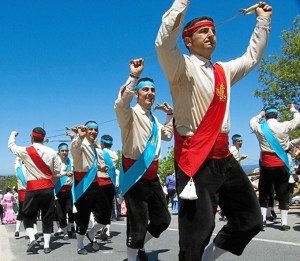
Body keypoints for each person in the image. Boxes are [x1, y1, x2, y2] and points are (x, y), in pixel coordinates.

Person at [155, 1, 272, 260]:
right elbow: (163, 43)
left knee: (250, 219)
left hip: (224, 158)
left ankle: (208, 257)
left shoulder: (223, 71)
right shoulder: (180, 67)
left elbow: (252, 57)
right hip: (196, 158)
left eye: (213, 31)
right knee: (198, 230)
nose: (210, 35)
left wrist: (262, 21)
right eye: (203, 31)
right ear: (188, 40)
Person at [114, 58, 173, 261]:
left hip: (152, 176)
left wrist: (169, 115)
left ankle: (139, 247)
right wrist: (133, 76)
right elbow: (121, 103)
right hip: (134, 175)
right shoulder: (129, 115)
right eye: (145, 90)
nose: (150, 93)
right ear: (137, 94)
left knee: (163, 219)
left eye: (152, 90)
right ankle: (133, 256)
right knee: (138, 223)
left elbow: (167, 135)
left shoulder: (154, 120)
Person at [8, 127, 61, 254]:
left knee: (27, 215)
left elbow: (11, 147)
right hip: (47, 188)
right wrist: (49, 183)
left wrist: (13, 135)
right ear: (44, 138)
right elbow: (58, 172)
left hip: (32, 189)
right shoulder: (52, 152)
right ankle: (47, 246)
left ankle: (32, 239)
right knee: (47, 216)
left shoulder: (26, 151)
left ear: (32, 137)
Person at [250, 105, 300, 231]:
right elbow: (297, 119)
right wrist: (293, 109)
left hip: (267, 165)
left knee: (264, 192)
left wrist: (259, 115)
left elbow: (252, 122)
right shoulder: (284, 126)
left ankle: (262, 221)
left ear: (266, 116)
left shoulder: (260, 127)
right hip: (281, 164)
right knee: (283, 192)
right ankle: (284, 223)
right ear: (277, 115)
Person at [70, 121, 110, 255]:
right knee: (83, 218)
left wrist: (100, 167)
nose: (93, 132)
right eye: (90, 129)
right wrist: (80, 137)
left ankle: (91, 233)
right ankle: (79, 245)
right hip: (82, 184)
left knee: (105, 215)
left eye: (95, 130)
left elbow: (88, 164)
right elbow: (75, 152)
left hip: (95, 184)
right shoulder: (79, 143)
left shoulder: (94, 146)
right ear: (86, 131)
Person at [89, 134, 118, 242]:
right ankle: (107, 231)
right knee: (108, 208)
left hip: (99, 183)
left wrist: (95, 144)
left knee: (94, 209)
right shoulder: (115, 155)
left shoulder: (99, 152)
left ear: (102, 143)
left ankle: (96, 229)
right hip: (110, 183)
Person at [54, 143, 76, 240]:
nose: (64, 152)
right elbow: (54, 174)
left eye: (66, 150)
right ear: (58, 152)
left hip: (69, 190)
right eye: (62, 151)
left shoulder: (71, 161)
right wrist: (65, 173)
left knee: (72, 211)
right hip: (58, 191)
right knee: (61, 214)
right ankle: (65, 232)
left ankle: (70, 225)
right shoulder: (56, 162)